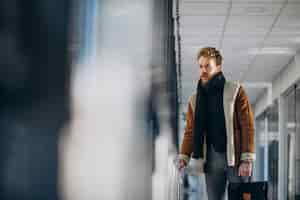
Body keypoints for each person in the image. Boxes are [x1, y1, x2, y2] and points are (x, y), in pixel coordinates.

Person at [177, 47, 255, 200]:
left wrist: (247, 159)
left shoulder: (235, 91)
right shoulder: (195, 100)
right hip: (211, 162)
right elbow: (190, 131)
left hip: (236, 159)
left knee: (241, 198)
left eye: (207, 66)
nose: (203, 70)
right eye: (201, 66)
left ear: (218, 67)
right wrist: (184, 156)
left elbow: (247, 126)